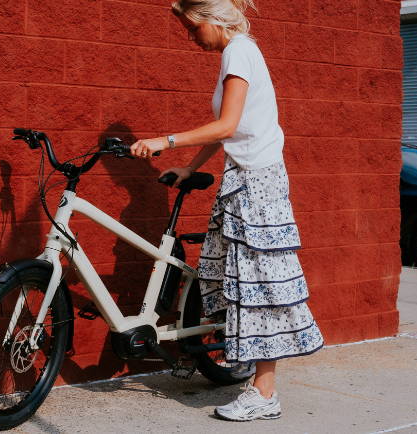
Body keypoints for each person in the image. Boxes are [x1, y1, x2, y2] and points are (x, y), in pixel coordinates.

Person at [129, 0, 325, 422]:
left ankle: (264, 392)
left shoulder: (239, 51)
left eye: (190, 28)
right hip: (245, 178)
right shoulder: (237, 52)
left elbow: (228, 125)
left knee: (259, 284)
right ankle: (249, 367)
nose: (190, 37)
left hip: (257, 182)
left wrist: (166, 141)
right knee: (237, 280)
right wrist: (191, 167)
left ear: (209, 20)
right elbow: (233, 128)